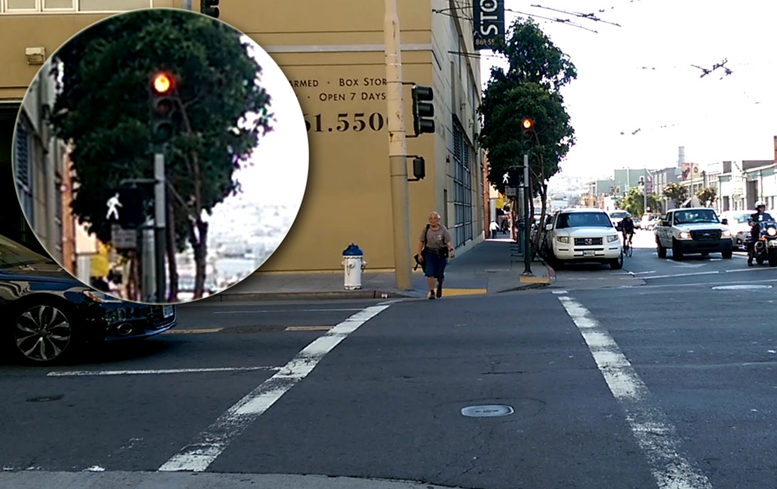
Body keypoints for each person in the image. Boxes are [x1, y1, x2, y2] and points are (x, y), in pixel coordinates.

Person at [417, 212, 456, 300]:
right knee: (430, 273)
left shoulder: (443, 230)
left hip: (441, 254)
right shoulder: (426, 229)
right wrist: (419, 254)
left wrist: (451, 250)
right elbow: (421, 241)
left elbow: (448, 241)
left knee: (439, 274)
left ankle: (440, 285)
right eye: (431, 219)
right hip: (430, 253)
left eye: (435, 218)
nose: (433, 220)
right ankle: (432, 292)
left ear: (438, 220)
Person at [747, 201, 774, 266]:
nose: (762, 209)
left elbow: (772, 221)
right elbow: (750, 221)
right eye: (760, 207)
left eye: (763, 207)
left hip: (766, 232)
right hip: (757, 232)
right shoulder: (754, 215)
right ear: (757, 208)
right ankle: (750, 259)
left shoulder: (767, 215)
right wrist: (752, 223)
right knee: (753, 242)